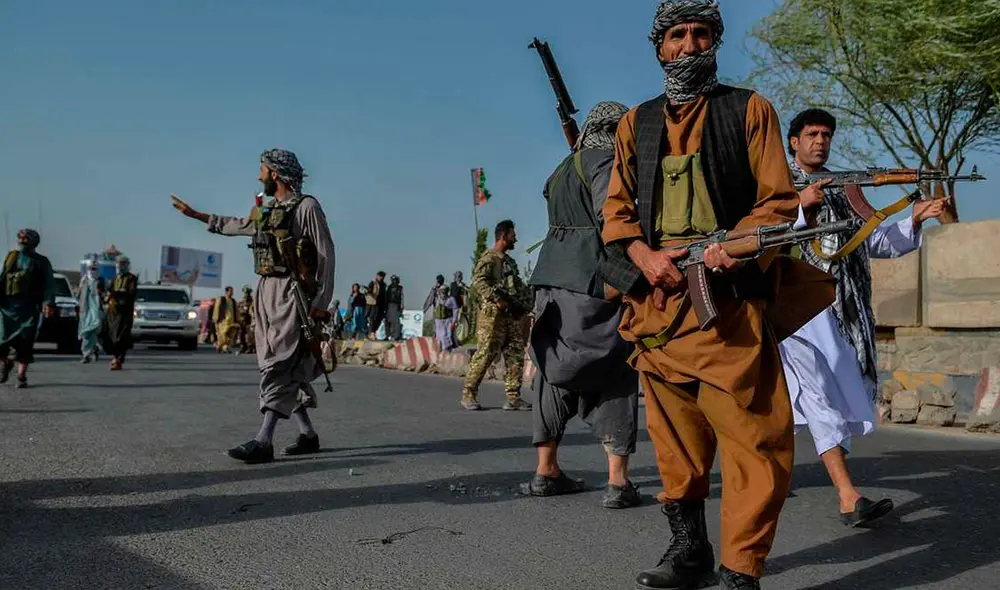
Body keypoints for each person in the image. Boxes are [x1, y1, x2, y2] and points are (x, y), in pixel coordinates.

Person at [599, 2, 831, 587]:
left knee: (755, 438)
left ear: (715, 40)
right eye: (677, 34)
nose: (689, 44)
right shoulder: (634, 123)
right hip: (657, 307)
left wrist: (736, 244)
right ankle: (689, 551)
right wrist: (645, 257)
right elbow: (617, 213)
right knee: (674, 440)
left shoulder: (750, 109)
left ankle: (741, 569)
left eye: (701, 33)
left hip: (728, 306)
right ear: (659, 46)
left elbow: (777, 202)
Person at [781, 108, 947, 526]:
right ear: (794, 142)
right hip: (797, 311)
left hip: (847, 309)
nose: (821, 141)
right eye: (812, 134)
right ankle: (847, 495)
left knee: (837, 393)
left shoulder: (844, 188)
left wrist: (913, 219)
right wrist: (800, 208)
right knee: (818, 394)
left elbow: (872, 242)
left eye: (826, 134)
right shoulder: (775, 186)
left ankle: (775, 475)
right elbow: (760, 237)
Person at [171, 148, 336, 463]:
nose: (259, 177)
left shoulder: (307, 207)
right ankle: (308, 435)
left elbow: (326, 254)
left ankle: (264, 439)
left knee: (279, 364)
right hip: (265, 292)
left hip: (292, 293)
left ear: (275, 174)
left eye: (262, 170)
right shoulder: (266, 210)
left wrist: (321, 301)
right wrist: (196, 215)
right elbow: (238, 225)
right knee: (279, 362)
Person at [524, 101, 642, 509]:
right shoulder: (605, 162)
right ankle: (617, 481)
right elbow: (612, 219)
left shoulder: (562, 168)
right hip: (592, 281)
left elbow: (551, 196)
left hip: (550, 282)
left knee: (552, 371)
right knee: (617, 369)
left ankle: (546, 470)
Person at [460, 220, 533, 411]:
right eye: (512, 235)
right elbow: (478, 281)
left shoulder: (509, 262)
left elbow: (517, 287)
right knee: (485, 354)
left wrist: (527, 302)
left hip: (510, 316)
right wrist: (496, 298)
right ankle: (469, 394)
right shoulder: (489, 259)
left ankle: (513, 397)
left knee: (516, 354)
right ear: (503, 236)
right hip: (492, 317)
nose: (515, 239)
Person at [0, 229, 56, 389]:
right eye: (20, 238)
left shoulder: (41, 262)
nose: (22, 241)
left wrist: (48, 303)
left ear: (33, 242)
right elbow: (3, 277)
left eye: (26, 239)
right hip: (7, 307)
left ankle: (21, 376)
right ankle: (5, 364)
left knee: (25, 341)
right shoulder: (11, 257)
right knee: (2, 341)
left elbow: (49, 284)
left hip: (29, 308)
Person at [100, 255, 137, 371]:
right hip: (113, 312)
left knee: (121, 337)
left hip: (124, 312)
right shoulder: (115, 278)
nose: (119, 266)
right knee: (112, 335)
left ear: (126, 265)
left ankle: (117, 359)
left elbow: (131, 293)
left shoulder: (131, 278)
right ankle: (116, 358)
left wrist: (118, 293)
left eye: (122, 263)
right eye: (118, 263)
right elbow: (110, 291)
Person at [78, 262, 105, 363]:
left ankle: (88, 353)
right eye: (90, 268)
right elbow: (79, 294)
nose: (92, 271)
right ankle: (90, 351)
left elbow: (104, 295)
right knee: (86, 333)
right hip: (85, 310)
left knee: (92, 331)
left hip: (96, 311)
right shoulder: (84, 280)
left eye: (94, 269)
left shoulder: (101, 281)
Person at [213, 286, 239, 353]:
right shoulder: (221, 299)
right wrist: (215, 318)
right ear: (226, 292)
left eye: (232, 291)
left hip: (231, 321)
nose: (232, 293)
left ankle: (221, 346)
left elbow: (236, 311)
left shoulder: (233, 301)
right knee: (223, 334)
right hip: (223, 321)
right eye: (230, 291)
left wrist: (238, 319)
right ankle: (224, 347)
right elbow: (216, 308)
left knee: (230, 335)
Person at [432, 285, 458, 351]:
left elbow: (455, 310)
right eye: (442, 291)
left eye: (444, 291)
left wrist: (454, 321)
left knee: (446, 335)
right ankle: (441, 350)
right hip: (438, 321)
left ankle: (447, 350)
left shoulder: (451, 299)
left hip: (447, 320)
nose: (443, 292)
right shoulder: (437, 298)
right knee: (439, 336)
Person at [367, 271, 387, 339]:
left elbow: (384, 294)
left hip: (381, 304)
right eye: (380, 276)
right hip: (374, 303)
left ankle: (373, 332)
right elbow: (369, 291)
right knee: (373, 318)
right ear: (377, 276)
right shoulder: (373, 283)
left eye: (383, 276)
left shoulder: (384, 284)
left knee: (379, 318)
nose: (381, 277)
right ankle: (371, 333)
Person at [237, 286, 256, 354]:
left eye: (247, 292)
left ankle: (251, 347)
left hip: (249, 320)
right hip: (242, 320)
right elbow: (239, 309)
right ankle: (243, 346)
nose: (246, 294)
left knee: (249, 335)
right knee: (241, 334)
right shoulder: (242, 301)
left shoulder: (252, 301)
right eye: (245, 292)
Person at [385, 274, 404, 340]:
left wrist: (401, 308)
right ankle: (387, 335)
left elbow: (402, 298)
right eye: (393, 280)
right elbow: (386, 297)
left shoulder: (400, 288)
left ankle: (396, 336)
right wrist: (385, 306)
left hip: (396, 306)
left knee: (396, 322)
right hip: (389, 305)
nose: (394, 281)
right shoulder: (389, 287)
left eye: (395, 280)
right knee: (388, 321)